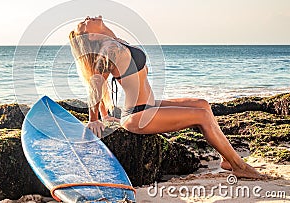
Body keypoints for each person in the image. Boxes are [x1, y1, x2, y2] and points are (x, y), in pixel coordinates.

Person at [68, 15, 266, 179]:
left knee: (203, 105)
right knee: (202, 116)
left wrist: (105, 114)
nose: (87, 18)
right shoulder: (108, 48)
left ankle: (225, 158)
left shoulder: (116, 42)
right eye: (83, 24)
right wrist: (94, 119)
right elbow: (95, 83)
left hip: (149, 105)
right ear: (91, 35)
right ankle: (239, 165)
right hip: (138, 115)